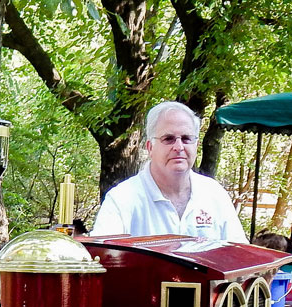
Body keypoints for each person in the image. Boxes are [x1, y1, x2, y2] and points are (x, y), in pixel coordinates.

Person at [91, 101, 247, 241]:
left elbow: (240, 257)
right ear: (150, 147)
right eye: (168, 139)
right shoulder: (122, 199)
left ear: (196, 145)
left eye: (186, 138)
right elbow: (104, 260)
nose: (179, 147)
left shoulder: (214, 195)